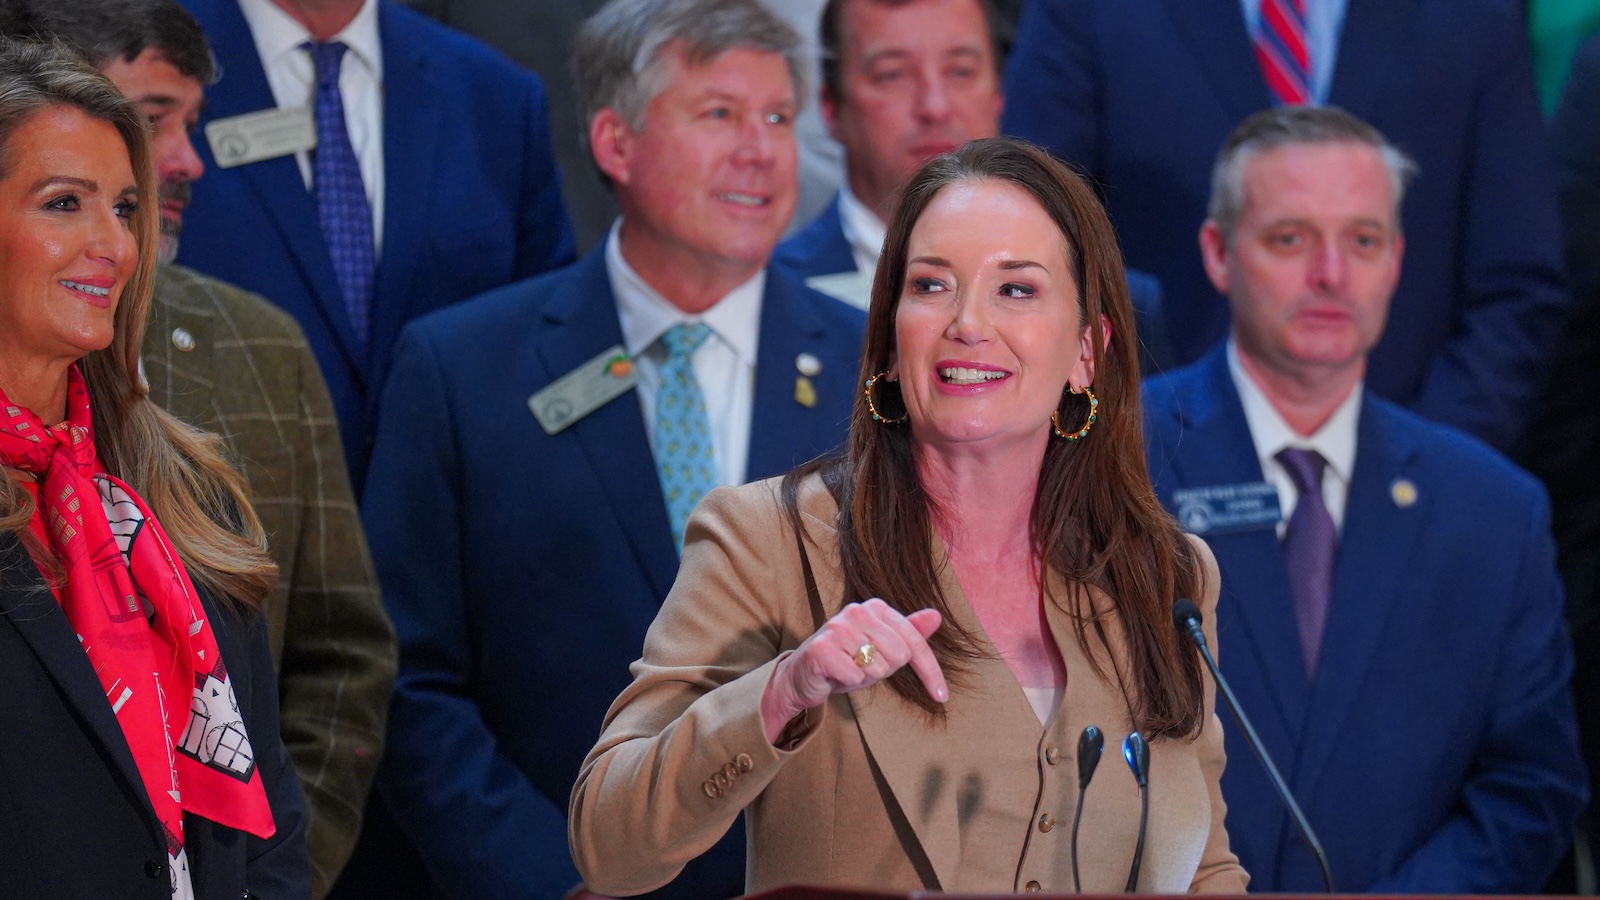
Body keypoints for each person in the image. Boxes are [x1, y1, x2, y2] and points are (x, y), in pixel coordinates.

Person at [570, 137, 1246, 895]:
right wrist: (782, 692)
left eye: (1015, 290)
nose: (967, 322)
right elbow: (608, 843)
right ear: (891, 342)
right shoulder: (767, 541)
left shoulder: (1164, 576)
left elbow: (1202, 866)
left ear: (1087, 351)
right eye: (930, 286)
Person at [356, 0, 867, 897]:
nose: (760, 149)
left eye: (779, 118)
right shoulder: (462, 369)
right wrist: (559, 878)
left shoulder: (877, 367)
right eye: (719, 114)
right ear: (614, 143)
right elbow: (409, 678)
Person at [1, 3, 399, 894]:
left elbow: (277, 793)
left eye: (125, 208)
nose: (115, 244)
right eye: (66, 203)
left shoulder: (185, 484)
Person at [1141, 106, 1587, 891]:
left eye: (1362, 241)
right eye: (1290, 238)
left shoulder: (1493, 511)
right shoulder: (1113, 459)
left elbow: (1528, 789)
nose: (1331, 275)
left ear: (1396, 261)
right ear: (1218, 253)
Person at [1002, 0, 1568, 454]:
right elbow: (1030, 250)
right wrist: (1147, 452)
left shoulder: (1473, 16)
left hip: (1419, 490)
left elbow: (1516, 288)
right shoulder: (1085, 11)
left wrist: (1419, 463)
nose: (1327, 272)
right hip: (1151, 481)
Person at [173, 0, 576, 491]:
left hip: (441, 521)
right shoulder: (144, 68)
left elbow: (544, 337)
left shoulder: (495, 97)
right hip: (218, 516)